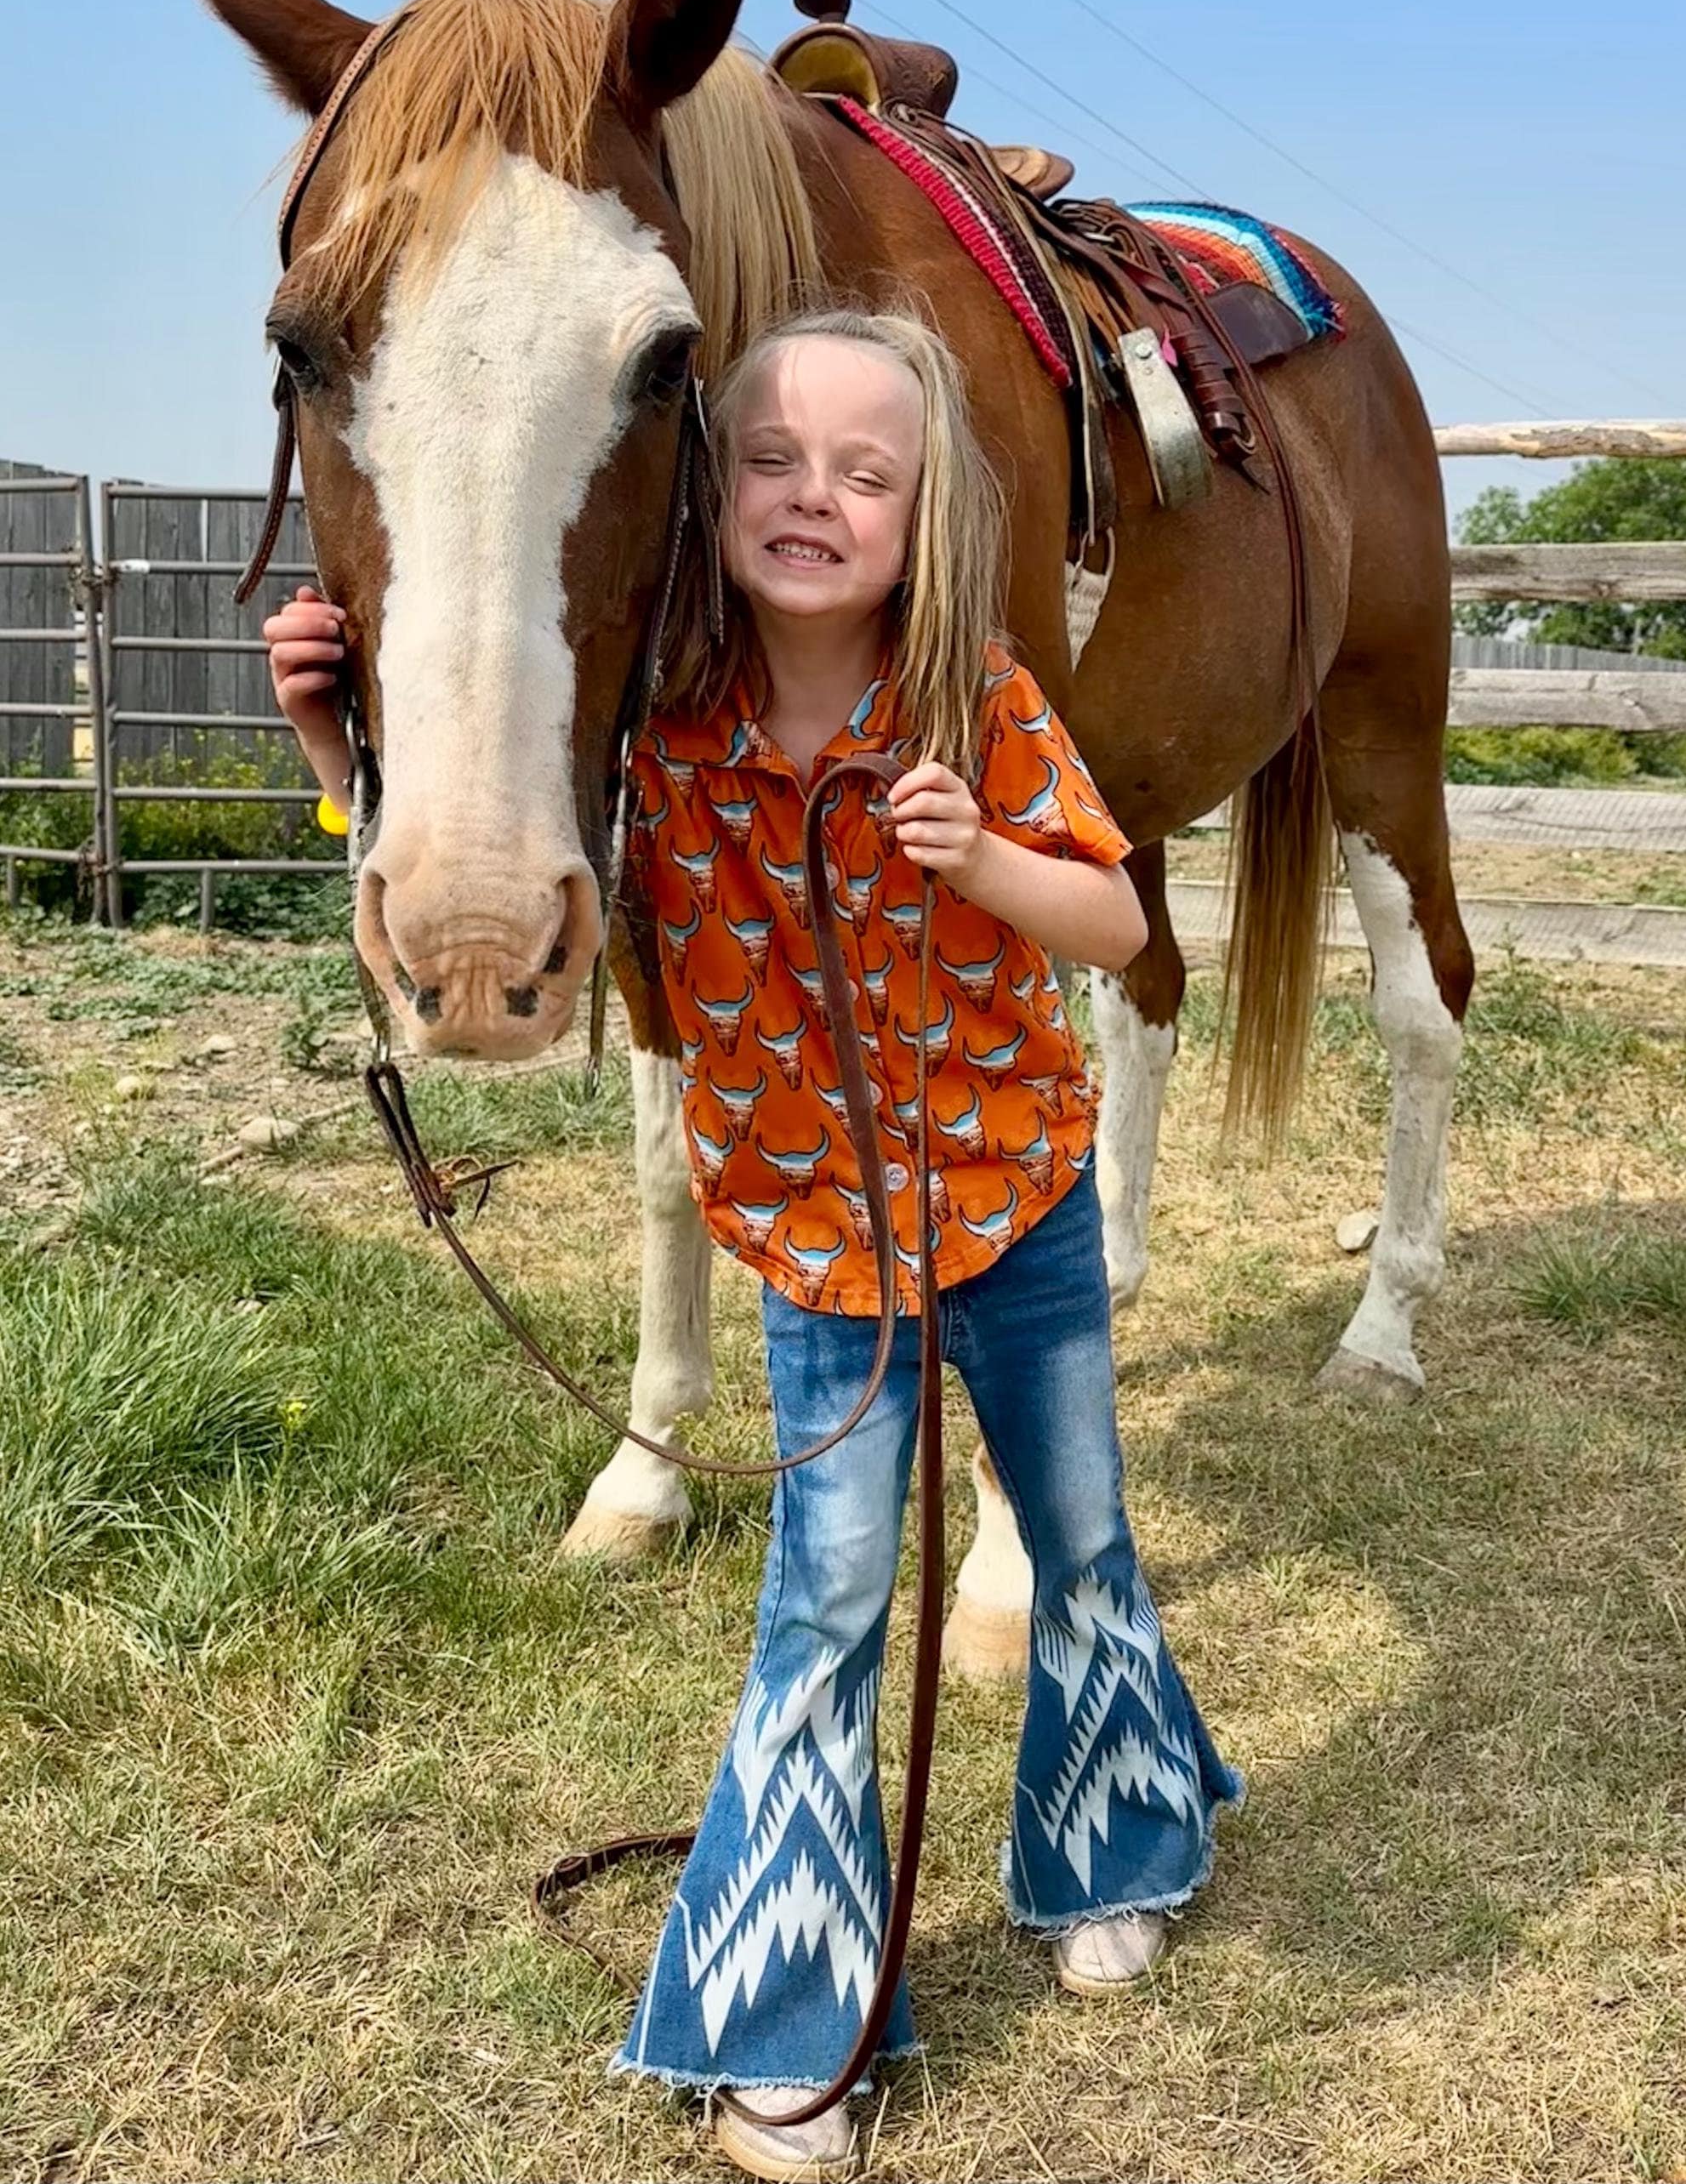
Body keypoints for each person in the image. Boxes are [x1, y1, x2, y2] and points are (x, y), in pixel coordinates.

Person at [266, 308, 1241, 2182]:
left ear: (922, 515)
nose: (815, 496)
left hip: (1015, 1210)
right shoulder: (658, 742)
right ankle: (793, 2003)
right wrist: (334, 742)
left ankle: (1111, 1846)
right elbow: (494, 875)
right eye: (775, 459)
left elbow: (1117, 929)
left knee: (1079, 1529)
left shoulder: (979, 707)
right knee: (828, 1598)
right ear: (708, 487)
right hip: (813, 1249)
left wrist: (983, 864)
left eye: (865, 472)